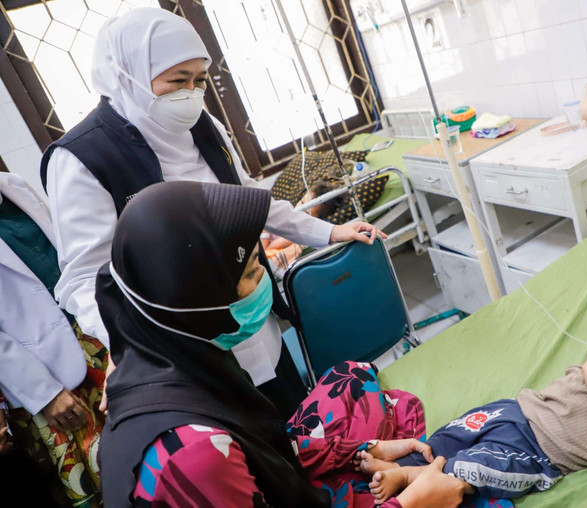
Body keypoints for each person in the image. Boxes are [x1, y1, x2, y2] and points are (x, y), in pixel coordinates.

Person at [40, 7, 383, 418]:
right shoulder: (82, 159)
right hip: (186, 353)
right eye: (177, 80)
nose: (190, 93)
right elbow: (83, 279)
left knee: (295, 422)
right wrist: (128, 345)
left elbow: (247, 197)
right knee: (245, 444)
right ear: (127, 75)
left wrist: (325, 231)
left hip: (253, 321)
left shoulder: (204, 125)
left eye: (199, 79)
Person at [97, 180, 465, 508]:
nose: (264, 281)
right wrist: (416, 502)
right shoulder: (195, 455)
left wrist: (365, 449)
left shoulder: (186, 361)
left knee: (349, 376)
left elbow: (263, 443)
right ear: (199, 300)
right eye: (252, 272)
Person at [357, 316, 587, 507]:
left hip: (540, 456)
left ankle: (410, 478)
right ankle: (403, 465)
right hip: (516, 411)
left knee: (479, 468)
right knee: (446, 439)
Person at [0, 172, 107, 507]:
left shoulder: (14, 186)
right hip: (44, 377)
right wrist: (44, 393)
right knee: (100, 477)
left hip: (94, 339)